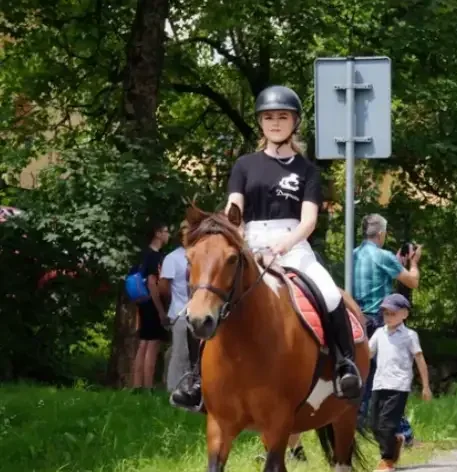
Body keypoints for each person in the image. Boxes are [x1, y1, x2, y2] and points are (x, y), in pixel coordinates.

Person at [170, 84, 361, 412]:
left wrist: (283, 245)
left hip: (294, 245)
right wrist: (242, 241)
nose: (275, 123)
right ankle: (194, 379)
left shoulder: (307, 170)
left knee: (330, 294)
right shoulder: (245, 165)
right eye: (269, 117)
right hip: (250, 245)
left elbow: (309, 221)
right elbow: (234, 211)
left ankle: (345, 365)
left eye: (282, 117)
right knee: (194, 309)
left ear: (294, 122)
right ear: (261, 123)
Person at [352, 213, 422, 425]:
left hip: (356, 320)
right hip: (378, 320)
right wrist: (414, 263)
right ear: (381, 234)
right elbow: (412, 282)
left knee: (364, 374)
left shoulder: (353, 254)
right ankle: (400, 429)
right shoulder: (383, 256)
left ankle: (361, 421)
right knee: (390, 376)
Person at [368, 293, 431, 472]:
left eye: (392, 313)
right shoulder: (379, 333)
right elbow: (367, 354)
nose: (388, 317)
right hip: (379, 384)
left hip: (399, 386)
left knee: (387, 424)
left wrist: (426, 386)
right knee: (373, 423)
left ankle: (387, 459)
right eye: (386, 314)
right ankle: (396, 441)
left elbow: (419, 359)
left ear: (404, 314)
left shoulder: (410, 335)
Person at [133, 223, 170, 391]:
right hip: (153, 303)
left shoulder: (141, 255)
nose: (168, 235)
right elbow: (152, 283)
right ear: (158, 233)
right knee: (153, 345)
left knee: (143, 344)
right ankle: (148, 387)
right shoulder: (155, 257)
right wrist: (161, 310)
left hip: (142, 302)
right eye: (166, 231)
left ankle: (137, 385)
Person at [159, 222, 193, 391]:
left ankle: (190, 388)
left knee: (188, 353)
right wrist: (176, 301)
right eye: (186, 231)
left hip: (197, 312)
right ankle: (174, 391)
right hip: (180, 312)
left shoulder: (198, 254)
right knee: (181, 353)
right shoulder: (172, 258)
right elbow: (164, 285)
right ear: (181, 236)